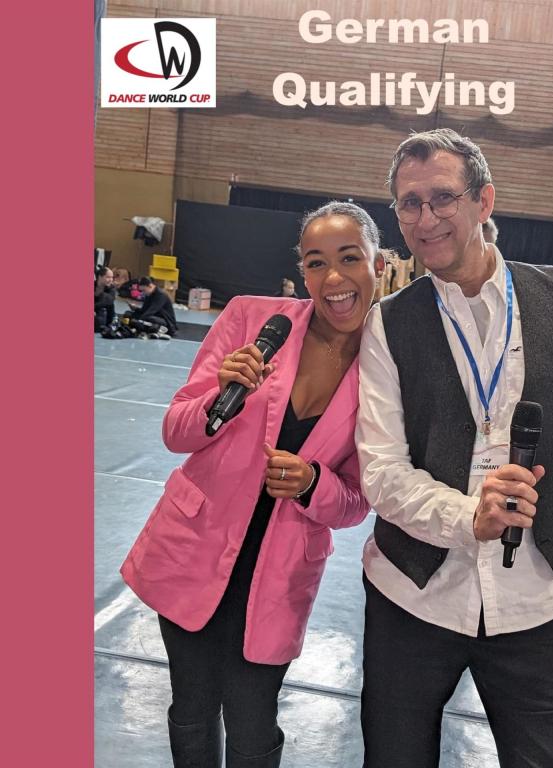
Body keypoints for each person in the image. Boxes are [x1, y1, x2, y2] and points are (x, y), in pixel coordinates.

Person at [355, 128, 553, 768]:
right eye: (409, 203)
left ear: (484, 200)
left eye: (443, 197)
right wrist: (468, 516)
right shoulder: (388, 321)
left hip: (538, 601)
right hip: (413, 595)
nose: (426, 218)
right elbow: (381, 470)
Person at [121, 201, 383, 767]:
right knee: (191, 707)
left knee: (252, 720)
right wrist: (221, 396)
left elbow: (358, 500)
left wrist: (312, 483)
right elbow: (177, 431)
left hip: (279, 572)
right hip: (194, 549)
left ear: (377, 264)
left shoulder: (387, 367)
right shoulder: (252, 319)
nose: (333, 278)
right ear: (302, 271)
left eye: (349, 258)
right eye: (316, 263)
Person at [94, 265, 116, 331]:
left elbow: (106, 301)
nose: (111, 280)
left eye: (112, 277)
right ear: (100, 277)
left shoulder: (111, 288)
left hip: (102, 314)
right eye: (108, 277)